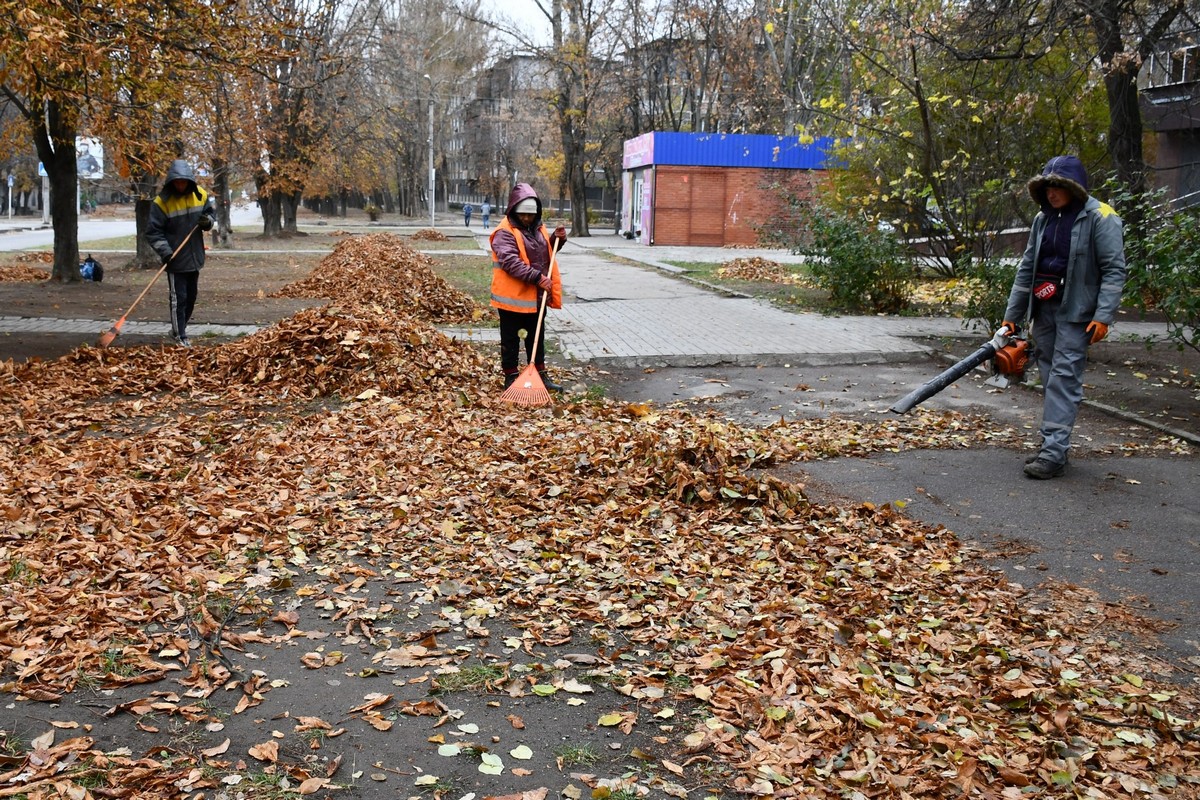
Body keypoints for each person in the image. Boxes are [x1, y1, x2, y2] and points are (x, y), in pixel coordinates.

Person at [1001, 155, 1127, 479]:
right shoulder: (1043, 220)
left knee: (1063, 379)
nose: (1051, 193)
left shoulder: (1102, 217)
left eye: (1058, 186)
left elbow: (1114, 270)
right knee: (1050, 379)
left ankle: (1053, 454)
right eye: (1047, 187)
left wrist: (1104, 316)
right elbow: (1027, 268)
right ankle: (1053, 447)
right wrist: (1012, 317)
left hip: (1077, 315)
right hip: (1044, 311)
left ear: (1074, 188)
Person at [489, 183, 567, 390]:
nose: (526, 218)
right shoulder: (503, 232)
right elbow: (510, 262)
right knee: (511, 340)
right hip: (512, 298)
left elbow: (541, 253)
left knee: (537, 338)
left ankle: (541, 376)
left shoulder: (538, 228)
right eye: (522, 214)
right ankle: (511, 378)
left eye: (530, 215)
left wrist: (556, 240)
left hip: (535, 297)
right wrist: (538, 278)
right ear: (513, 210)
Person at [145, 159, 216, 348]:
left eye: (183, 182)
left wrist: (206, 221)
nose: (180, 185)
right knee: (179, 298)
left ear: (189, 181)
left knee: (191, 296)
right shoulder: (162, 202)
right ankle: (179, 335)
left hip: (194, 257)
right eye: (177, 182)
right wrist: (165, 252)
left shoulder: (200, 195)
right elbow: (153, 232)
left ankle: (179, 328)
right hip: (175, 259)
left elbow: (210, 215)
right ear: (171, 182)